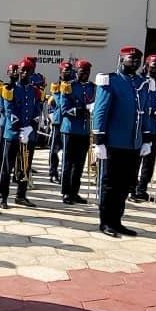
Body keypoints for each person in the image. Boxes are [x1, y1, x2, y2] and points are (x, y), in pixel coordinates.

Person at [92, 45, 153, 237]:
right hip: (113, 141)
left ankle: (117, 221)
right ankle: (106, 222)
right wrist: (98, 139)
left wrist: (146, 138)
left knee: (125, 184)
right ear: (121, 59)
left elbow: (145, 111)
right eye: (130, 59)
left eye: (137, 60)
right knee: (110, 184)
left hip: (133, 143)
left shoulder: (142, 82)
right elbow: (101, 111)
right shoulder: (111, 80)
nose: (134, 62)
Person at [0, 57, 41, 209]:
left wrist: (30, 127)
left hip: (28, 134)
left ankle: (21, 196)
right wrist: (19, 127)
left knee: (25, 166)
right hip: (13, 133)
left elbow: (37, 109)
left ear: (31, 73)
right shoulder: (10, 89)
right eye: (21, 70)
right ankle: (2, 196)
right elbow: (9, 109)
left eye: (26, 71)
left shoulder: (34, 91)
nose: (23, 73)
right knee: (7, 167)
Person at [132, 53, 156, 202]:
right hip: (141, 127)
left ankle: (142, 189)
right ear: (147, 65)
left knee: (150, 161)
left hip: (155, 127)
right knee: (136, 160)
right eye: (154, 65)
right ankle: (132, 189)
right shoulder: (140, 82)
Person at [59, 58, 95, 204]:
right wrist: (82, 110)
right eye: (82, 72)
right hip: (70, 129)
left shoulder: (94, 87)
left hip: (84, 131)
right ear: (76, 72)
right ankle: (66, 192)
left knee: (79, 164)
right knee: (68, 163)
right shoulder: (69, 86)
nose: (84, 74)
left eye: (87, 72)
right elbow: (64, 109)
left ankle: (75, 192)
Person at [47, 63, 73, 183]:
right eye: (65, 70)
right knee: (54, 150)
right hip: (58, 121)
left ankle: (65, 174)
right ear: (60, 72)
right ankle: (53, 172)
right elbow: (59, 102)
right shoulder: (56, 85)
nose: (67, 72)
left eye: (69, 70)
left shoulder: (73, 84)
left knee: (67, 151)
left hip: (69, 121)